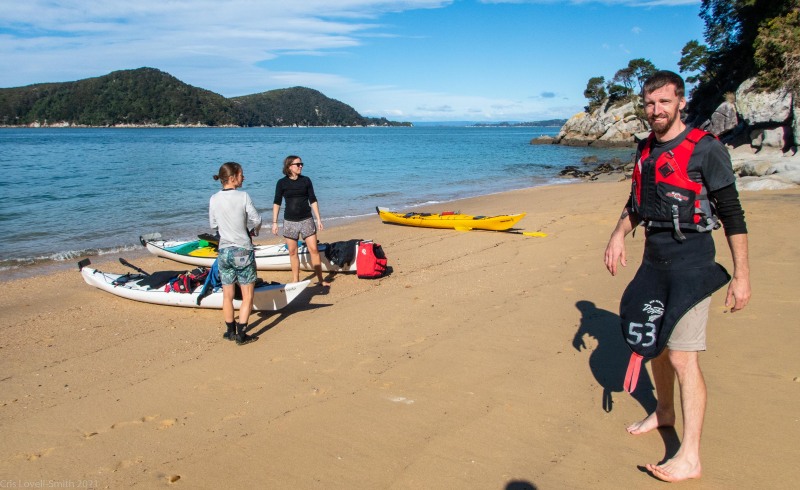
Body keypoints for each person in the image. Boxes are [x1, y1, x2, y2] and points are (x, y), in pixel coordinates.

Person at [603, 71, 750, 482]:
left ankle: (690, 455)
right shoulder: (646, 150)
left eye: (664, 102)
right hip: (655, 262)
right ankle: (664, 412)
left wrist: (741, 276)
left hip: (692, 264)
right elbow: (637, 202)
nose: (656, 111)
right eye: (650, 104)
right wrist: (618, 234)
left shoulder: (706, 150)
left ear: (681, 102)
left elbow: (733, 215)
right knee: (656, 346)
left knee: (684, 357)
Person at [209, 161, 262, 345]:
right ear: (232, 178)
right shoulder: (243, 196)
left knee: (227, 295)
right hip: (242, 250)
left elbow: (213, 225)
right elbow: (256, 218)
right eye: (241, 175)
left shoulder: (214, 198)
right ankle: (241, 334)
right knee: (247, 295)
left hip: (224, 251)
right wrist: (255, 230)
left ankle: (229, 331)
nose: (244, 177)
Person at [272, 155, 330, 287]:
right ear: (289, 167)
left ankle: (320, 279)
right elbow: (277, 202)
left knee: (314, 249)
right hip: (290, 221)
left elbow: (313, 200)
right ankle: (295, 280)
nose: (301, 166)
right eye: (298, 164)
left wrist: (319, 219)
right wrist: (274, 222)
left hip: (306, 219)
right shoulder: (281, 183)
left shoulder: (306, 180)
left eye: (301, 164)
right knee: (293, 252)